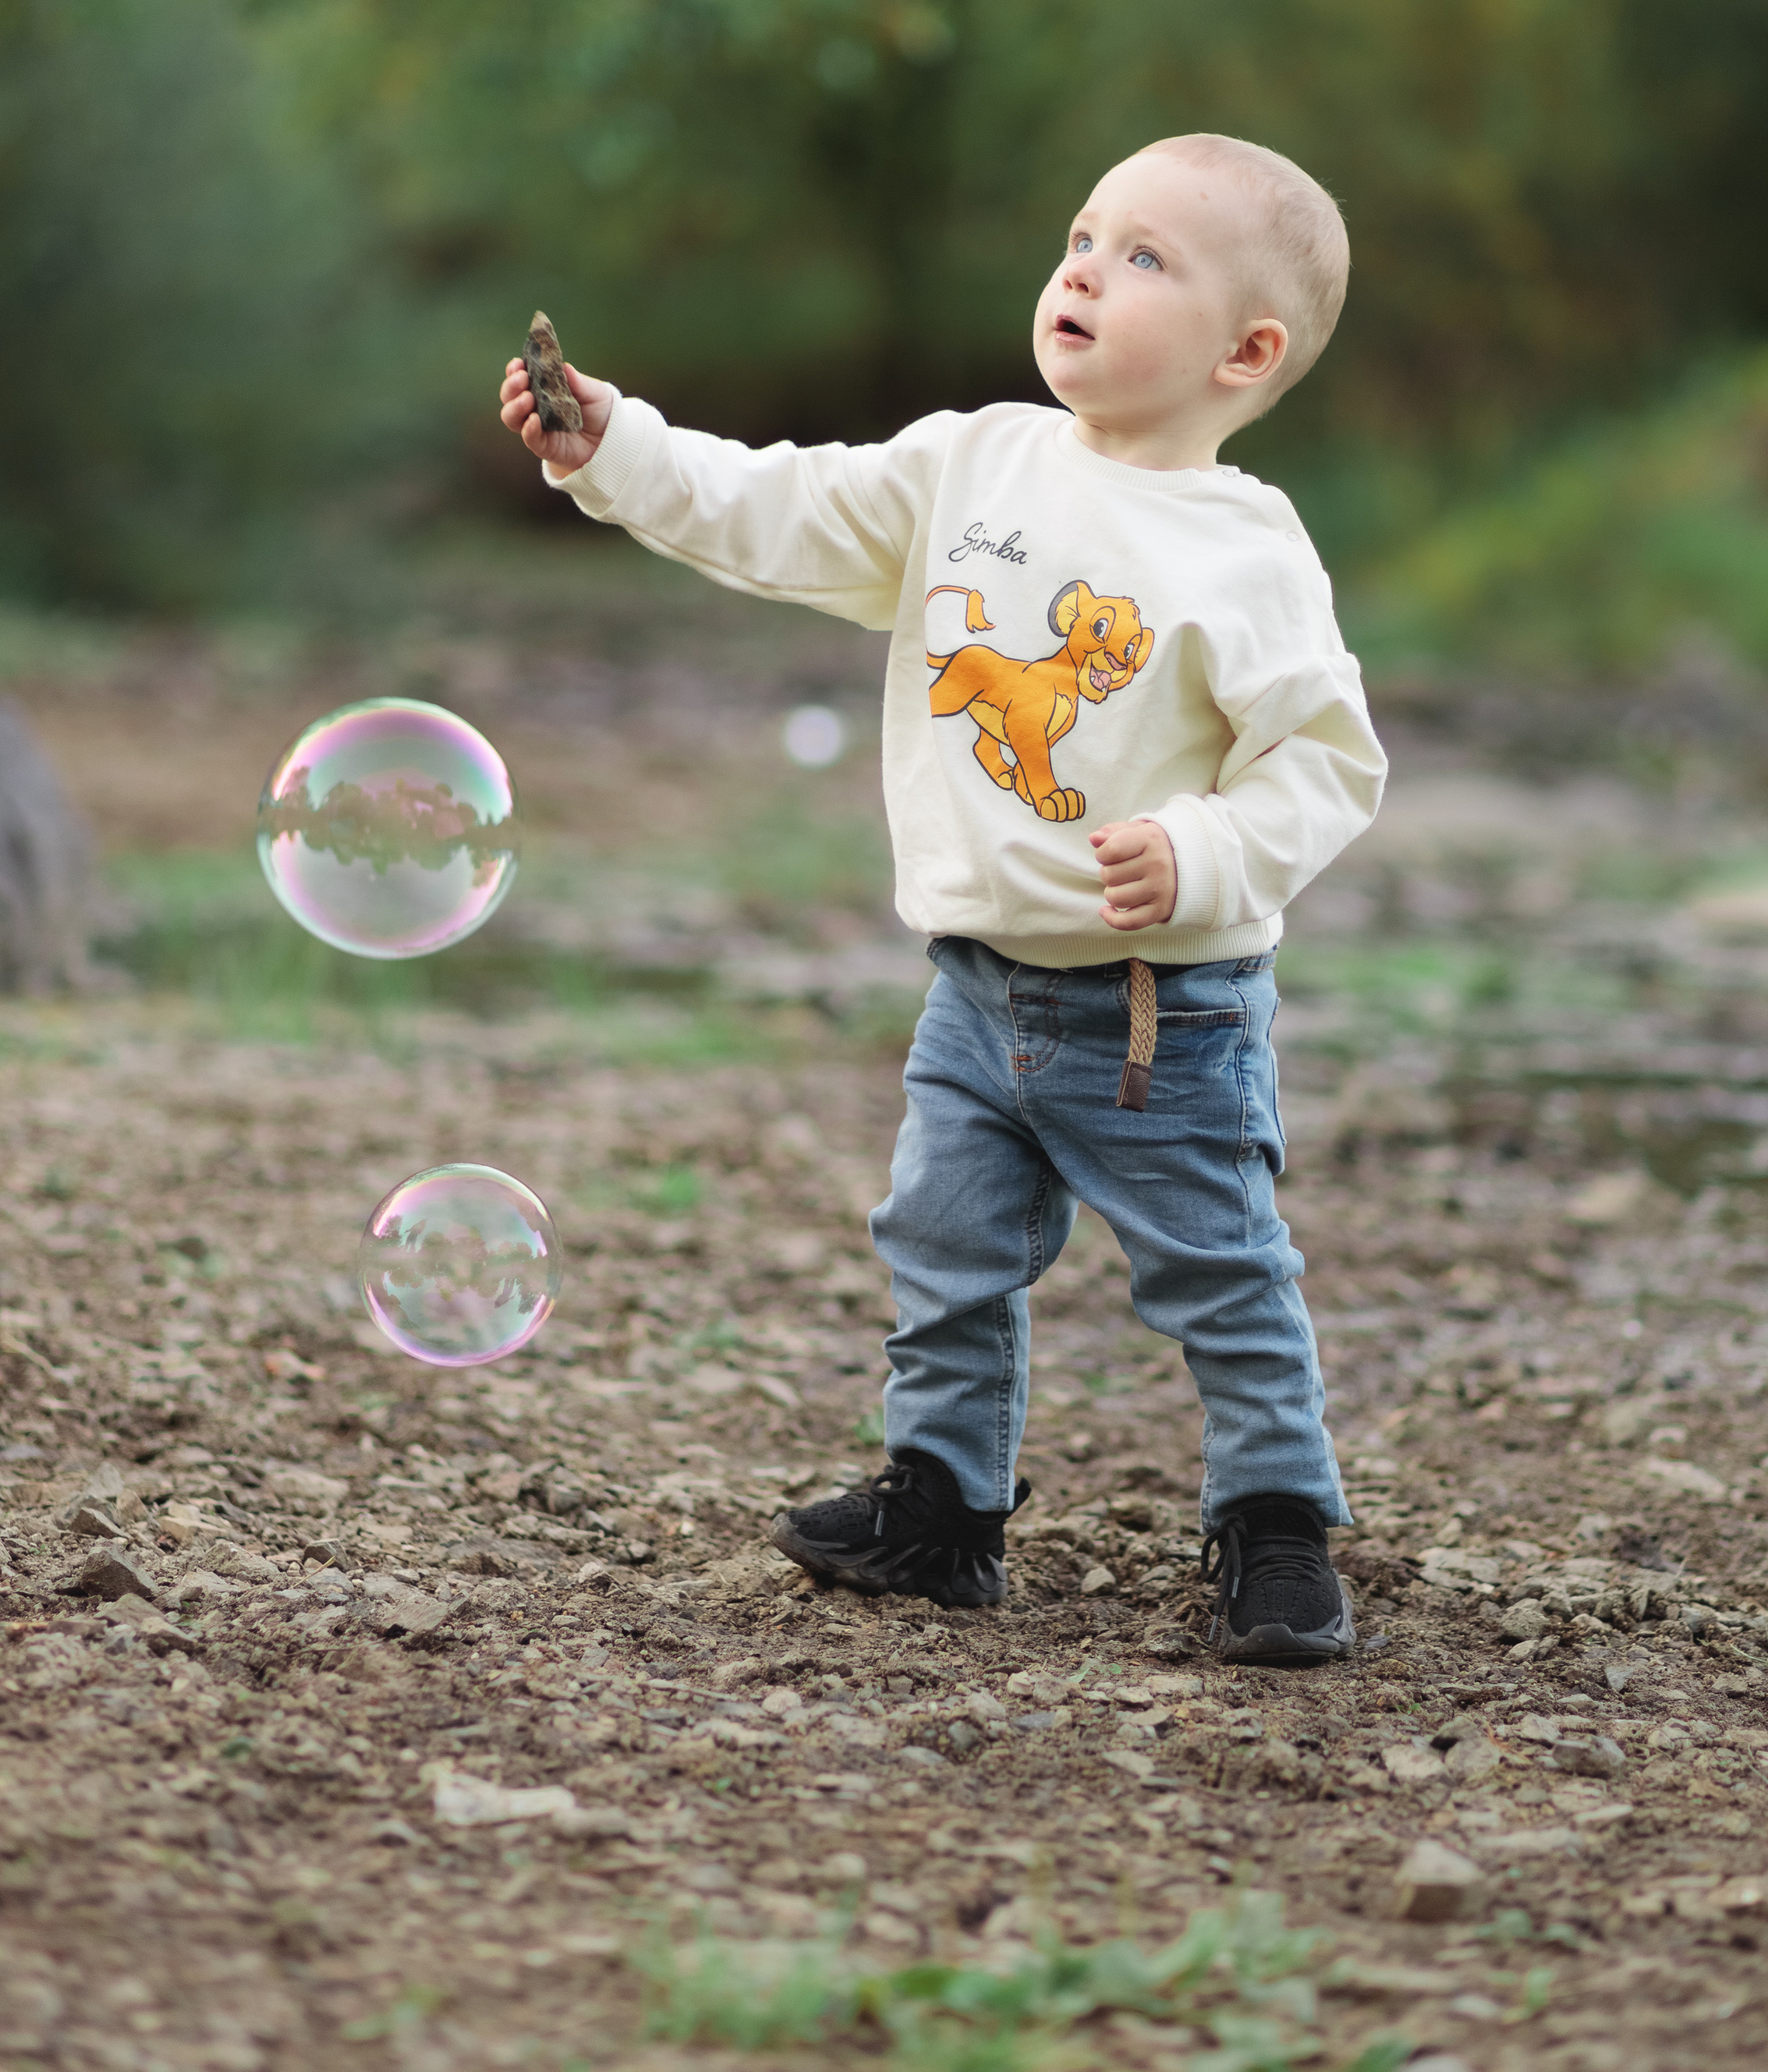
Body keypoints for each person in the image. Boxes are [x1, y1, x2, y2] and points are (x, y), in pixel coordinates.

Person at [499, 133, 1386, 1663]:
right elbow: (772, 509)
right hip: (978, 992)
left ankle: (1275, 1527)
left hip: (1153, 1013)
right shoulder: (966, 464)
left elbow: (1322, 767)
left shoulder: (1247, 552)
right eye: (1083, 233)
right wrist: (613, 448)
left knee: (1218, 1270)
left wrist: (1201, 851)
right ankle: (940, 1515)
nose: (1086, 269)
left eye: (1145, 259)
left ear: (1247, 353)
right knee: (941, 1246)